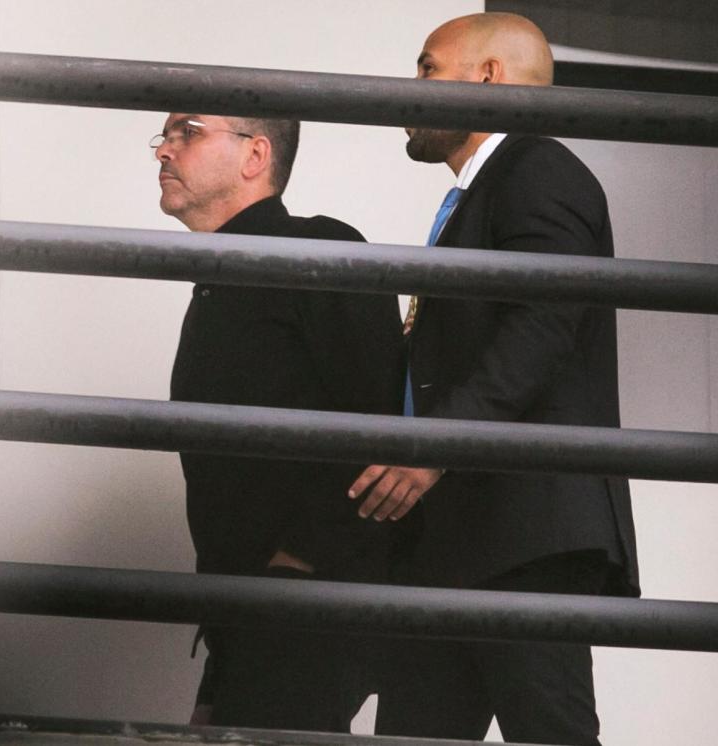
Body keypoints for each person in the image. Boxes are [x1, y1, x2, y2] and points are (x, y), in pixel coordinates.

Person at [347, 13, 639, 746]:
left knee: (552, 733)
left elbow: (544, 323)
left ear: (487, 77)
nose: (410, 89)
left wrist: (431, 446)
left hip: (524, 534)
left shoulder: (540, 168)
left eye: (427, 68)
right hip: (453, 536)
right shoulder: (483, 194)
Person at [156, 112, 403, 731]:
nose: (163, 149)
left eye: (187, 131)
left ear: (255, 155)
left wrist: (301, 560)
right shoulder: (216, 283)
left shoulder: (318, 248)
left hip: (308, 605)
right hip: (244, 615)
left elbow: (378, 416)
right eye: (164, 135)